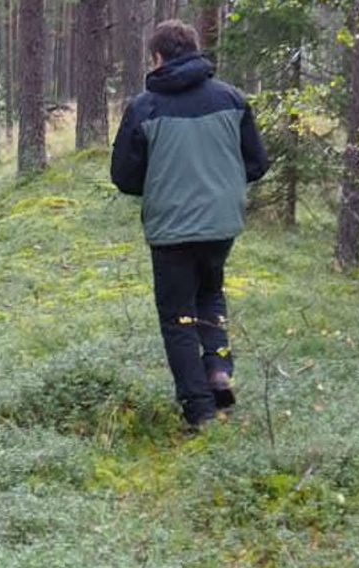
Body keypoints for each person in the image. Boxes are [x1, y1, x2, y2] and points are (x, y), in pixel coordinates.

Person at [110, 20, 269, 429]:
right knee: (210, 296)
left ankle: (199, 411)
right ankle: (217, 370)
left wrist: (163, 180)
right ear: (195, 51)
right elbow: (257, 164)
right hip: (221, 225)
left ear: (157, 58)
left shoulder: (144, 106)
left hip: (171, 229)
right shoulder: (231, 99)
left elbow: (124, 177)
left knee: (177, 317)